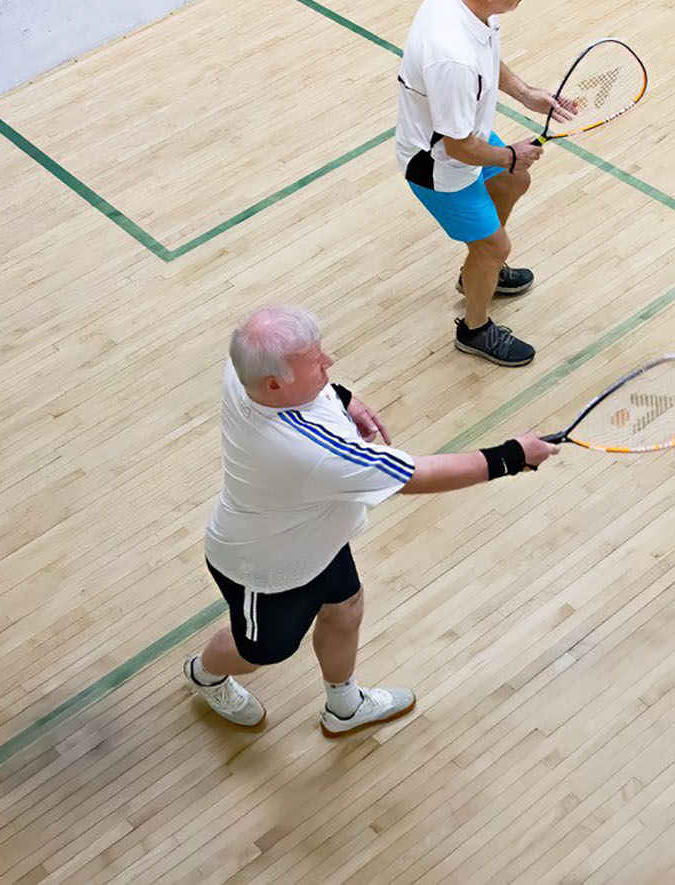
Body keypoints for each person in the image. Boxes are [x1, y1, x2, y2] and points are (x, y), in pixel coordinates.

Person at [184, 305, 560, 736]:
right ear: (275, 383)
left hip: (318, 541)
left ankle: (344, 707)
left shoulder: (243, 372)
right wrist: (511, 457)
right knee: (259, 653)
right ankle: (203, 674)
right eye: (316, 363)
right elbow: (418, 475)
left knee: (345, 610)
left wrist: (345, 400)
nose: (330, 363)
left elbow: (316, 392)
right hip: (264, 568)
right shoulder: (311, 454)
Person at [395, 0, 576, 367]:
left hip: (463, 136)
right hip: (437, 164)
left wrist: (527, 93)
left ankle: (481, 269)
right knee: (497, 245)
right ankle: (474, 329)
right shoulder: (450, 57)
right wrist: (508, 153)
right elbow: (458, 147)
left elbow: (488, 54)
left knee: (516, 180)